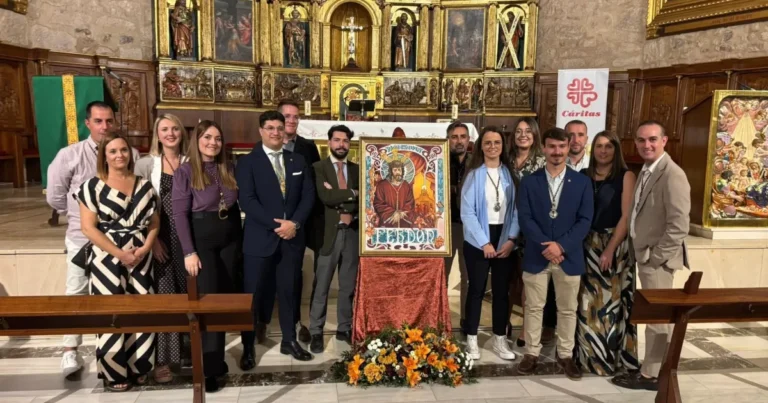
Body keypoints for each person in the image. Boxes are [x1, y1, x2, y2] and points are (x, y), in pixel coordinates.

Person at [46, 101, 139, 378]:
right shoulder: (69, 155)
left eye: (109, 121)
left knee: (117, 295)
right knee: (76, 291)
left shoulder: (128, 153)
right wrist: (78, 217)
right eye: (98, 121)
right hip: (82, 238)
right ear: (87, 123)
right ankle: (69, 350)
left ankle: (118, 350)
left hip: (119, 240)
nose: (104, 127)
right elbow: (55, 196)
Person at [77, 132, 159, 392]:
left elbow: (155, 221)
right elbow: (89, 229)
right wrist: (120, 253)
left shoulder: (144, 185)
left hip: (141, 257)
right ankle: (114, 372)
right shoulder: (92, 186)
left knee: (142, 310)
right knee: (112, 312)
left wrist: (145, 247)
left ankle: (140, 366)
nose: (119, 155)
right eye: (112, 151)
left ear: (130, 153)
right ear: (104, 156)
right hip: (105, 259)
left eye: (123, 150)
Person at [612, 120, 690, 391]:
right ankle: (652, 369)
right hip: (643, 255)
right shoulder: (647, 169)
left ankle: (652, 375)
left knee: (658, 320)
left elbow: (679, 225)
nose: (647, 145)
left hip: (656, 260)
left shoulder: (672, 174)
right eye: (642, 140)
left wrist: (656, 258)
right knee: (655, 318)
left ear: (664, 141)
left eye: (653, 139)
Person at [237, 111, 315, 366]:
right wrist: (277, 225)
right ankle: (248, 346)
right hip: (260, 240)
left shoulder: (297, 160)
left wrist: (295, 224)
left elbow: (308, 197)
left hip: (291, 238)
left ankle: (289, 341)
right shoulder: (248, 162)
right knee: (253, 295)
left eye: (280, 128)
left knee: (289, 292)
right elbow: (247, 200)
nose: (276, 132)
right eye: (270, 128)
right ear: (260, 131)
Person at [516, 127, 593, 381]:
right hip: (537, 255)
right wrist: (546, 247)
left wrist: (560, 247)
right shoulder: (530, 181)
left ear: (568, 146)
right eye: (552, 147)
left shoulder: (582, 182)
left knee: (568, 309)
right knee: (534, 307)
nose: (557, 152)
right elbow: (525, 219)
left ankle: (565, 355)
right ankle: (532, 353)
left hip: (568, 256)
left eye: (561, 147)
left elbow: (584, 220)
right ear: (545, 148)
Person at [172, 120, 241, 393]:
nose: (213, 142)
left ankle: (218, 360)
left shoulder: (228, 168)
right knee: (208, 301)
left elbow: (235, 206)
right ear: (197, 140)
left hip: (229, 237)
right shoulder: (186, 172)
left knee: (223, 299)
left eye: (217, 138)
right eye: (208, 137)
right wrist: (189, 251)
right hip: (202, 239)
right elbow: (179, 214)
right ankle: (208, 367)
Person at [576, 131, 639, 376]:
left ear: (616, 150)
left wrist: (610, 248)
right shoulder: (583, 176)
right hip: (587, 243)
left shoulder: (625, 176)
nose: (603, 151)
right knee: (588, 303)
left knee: (611, 306)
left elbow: (626, 216)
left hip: (614, 244)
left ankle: (612, 358)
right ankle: (590, 359)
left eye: (609, 146)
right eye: (599, 146)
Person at [134, 114, 189, 383]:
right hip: (161, 237)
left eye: (174, 128)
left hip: (188, 238)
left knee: (189, 293)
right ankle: (165, 358)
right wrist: (152, 239)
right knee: (167, 296)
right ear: (157, 134)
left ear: (182, 132)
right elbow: (137, 205)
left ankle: (189, 353)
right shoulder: (146, 164)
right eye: (164, 129)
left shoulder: (191, 162)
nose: (170, 133)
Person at [460, 126, 519, 361]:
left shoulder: (510, 174)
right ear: (480, 146)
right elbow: (467, 212)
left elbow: (517, 210)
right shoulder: (474, 175)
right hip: (478, 239)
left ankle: (499, 339)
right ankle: (472, 339)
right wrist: (484, 242)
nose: (493, 146)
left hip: (504, 237)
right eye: (488, 143)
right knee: (476, 289)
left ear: (503, 146)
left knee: (502, 292)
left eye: (497, 142)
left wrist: (511, 239)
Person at [308, 125, 360, 353]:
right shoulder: (318, 168)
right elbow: (324, 196)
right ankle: (316, 331)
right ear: (329, 142)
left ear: (350, 144)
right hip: (328, 234)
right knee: (322, 286)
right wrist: (351, 194)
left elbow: (364, 200)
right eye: (337, 140)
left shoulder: (358, 169)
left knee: (348, 286)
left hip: (352, 233)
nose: (341, 145)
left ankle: (344, 328)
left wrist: (348, 201)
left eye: (345, 141)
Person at [278, 100, 319, 344]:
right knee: (267, 276)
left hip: (297, 223)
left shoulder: (308, 147)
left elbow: (311, 186)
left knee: (294, 275)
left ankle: (295, 321)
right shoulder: (262, 146)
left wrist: (298, 220)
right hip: (270, 224)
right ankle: (262, 320)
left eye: (295, 117)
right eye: (287, 116)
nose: (292, 120)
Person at [506, 117, 546, 347]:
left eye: (528, 131)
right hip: (505, 225)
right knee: (507, 279)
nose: (523, 135)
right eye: (519, 131)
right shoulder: (506, 159)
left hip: (531, 226)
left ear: (535, 135)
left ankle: (526, 330)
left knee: (528, 281)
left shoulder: (542, 160)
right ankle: (504, 323)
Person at [446, 121, 471, 331]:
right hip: (445, 226)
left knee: (468, 277)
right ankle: (439, 320)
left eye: (463, 136)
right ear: (448, 140)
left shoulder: (477, 162)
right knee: (440, 276)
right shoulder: (440, 159)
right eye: (455, 137)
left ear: (468, 140)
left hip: (469, 227)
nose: (459, 141)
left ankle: (466, 320)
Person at [373, 159, 415, 228]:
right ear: (391, 172)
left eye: (399, 170)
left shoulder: (406, 185)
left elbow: (410, 203)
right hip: (388, 223)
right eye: (395, 170)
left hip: (403, 223)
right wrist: (393, 213)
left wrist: (401, 213)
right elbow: (378, 203)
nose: (398, 172)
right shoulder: (382, 185)